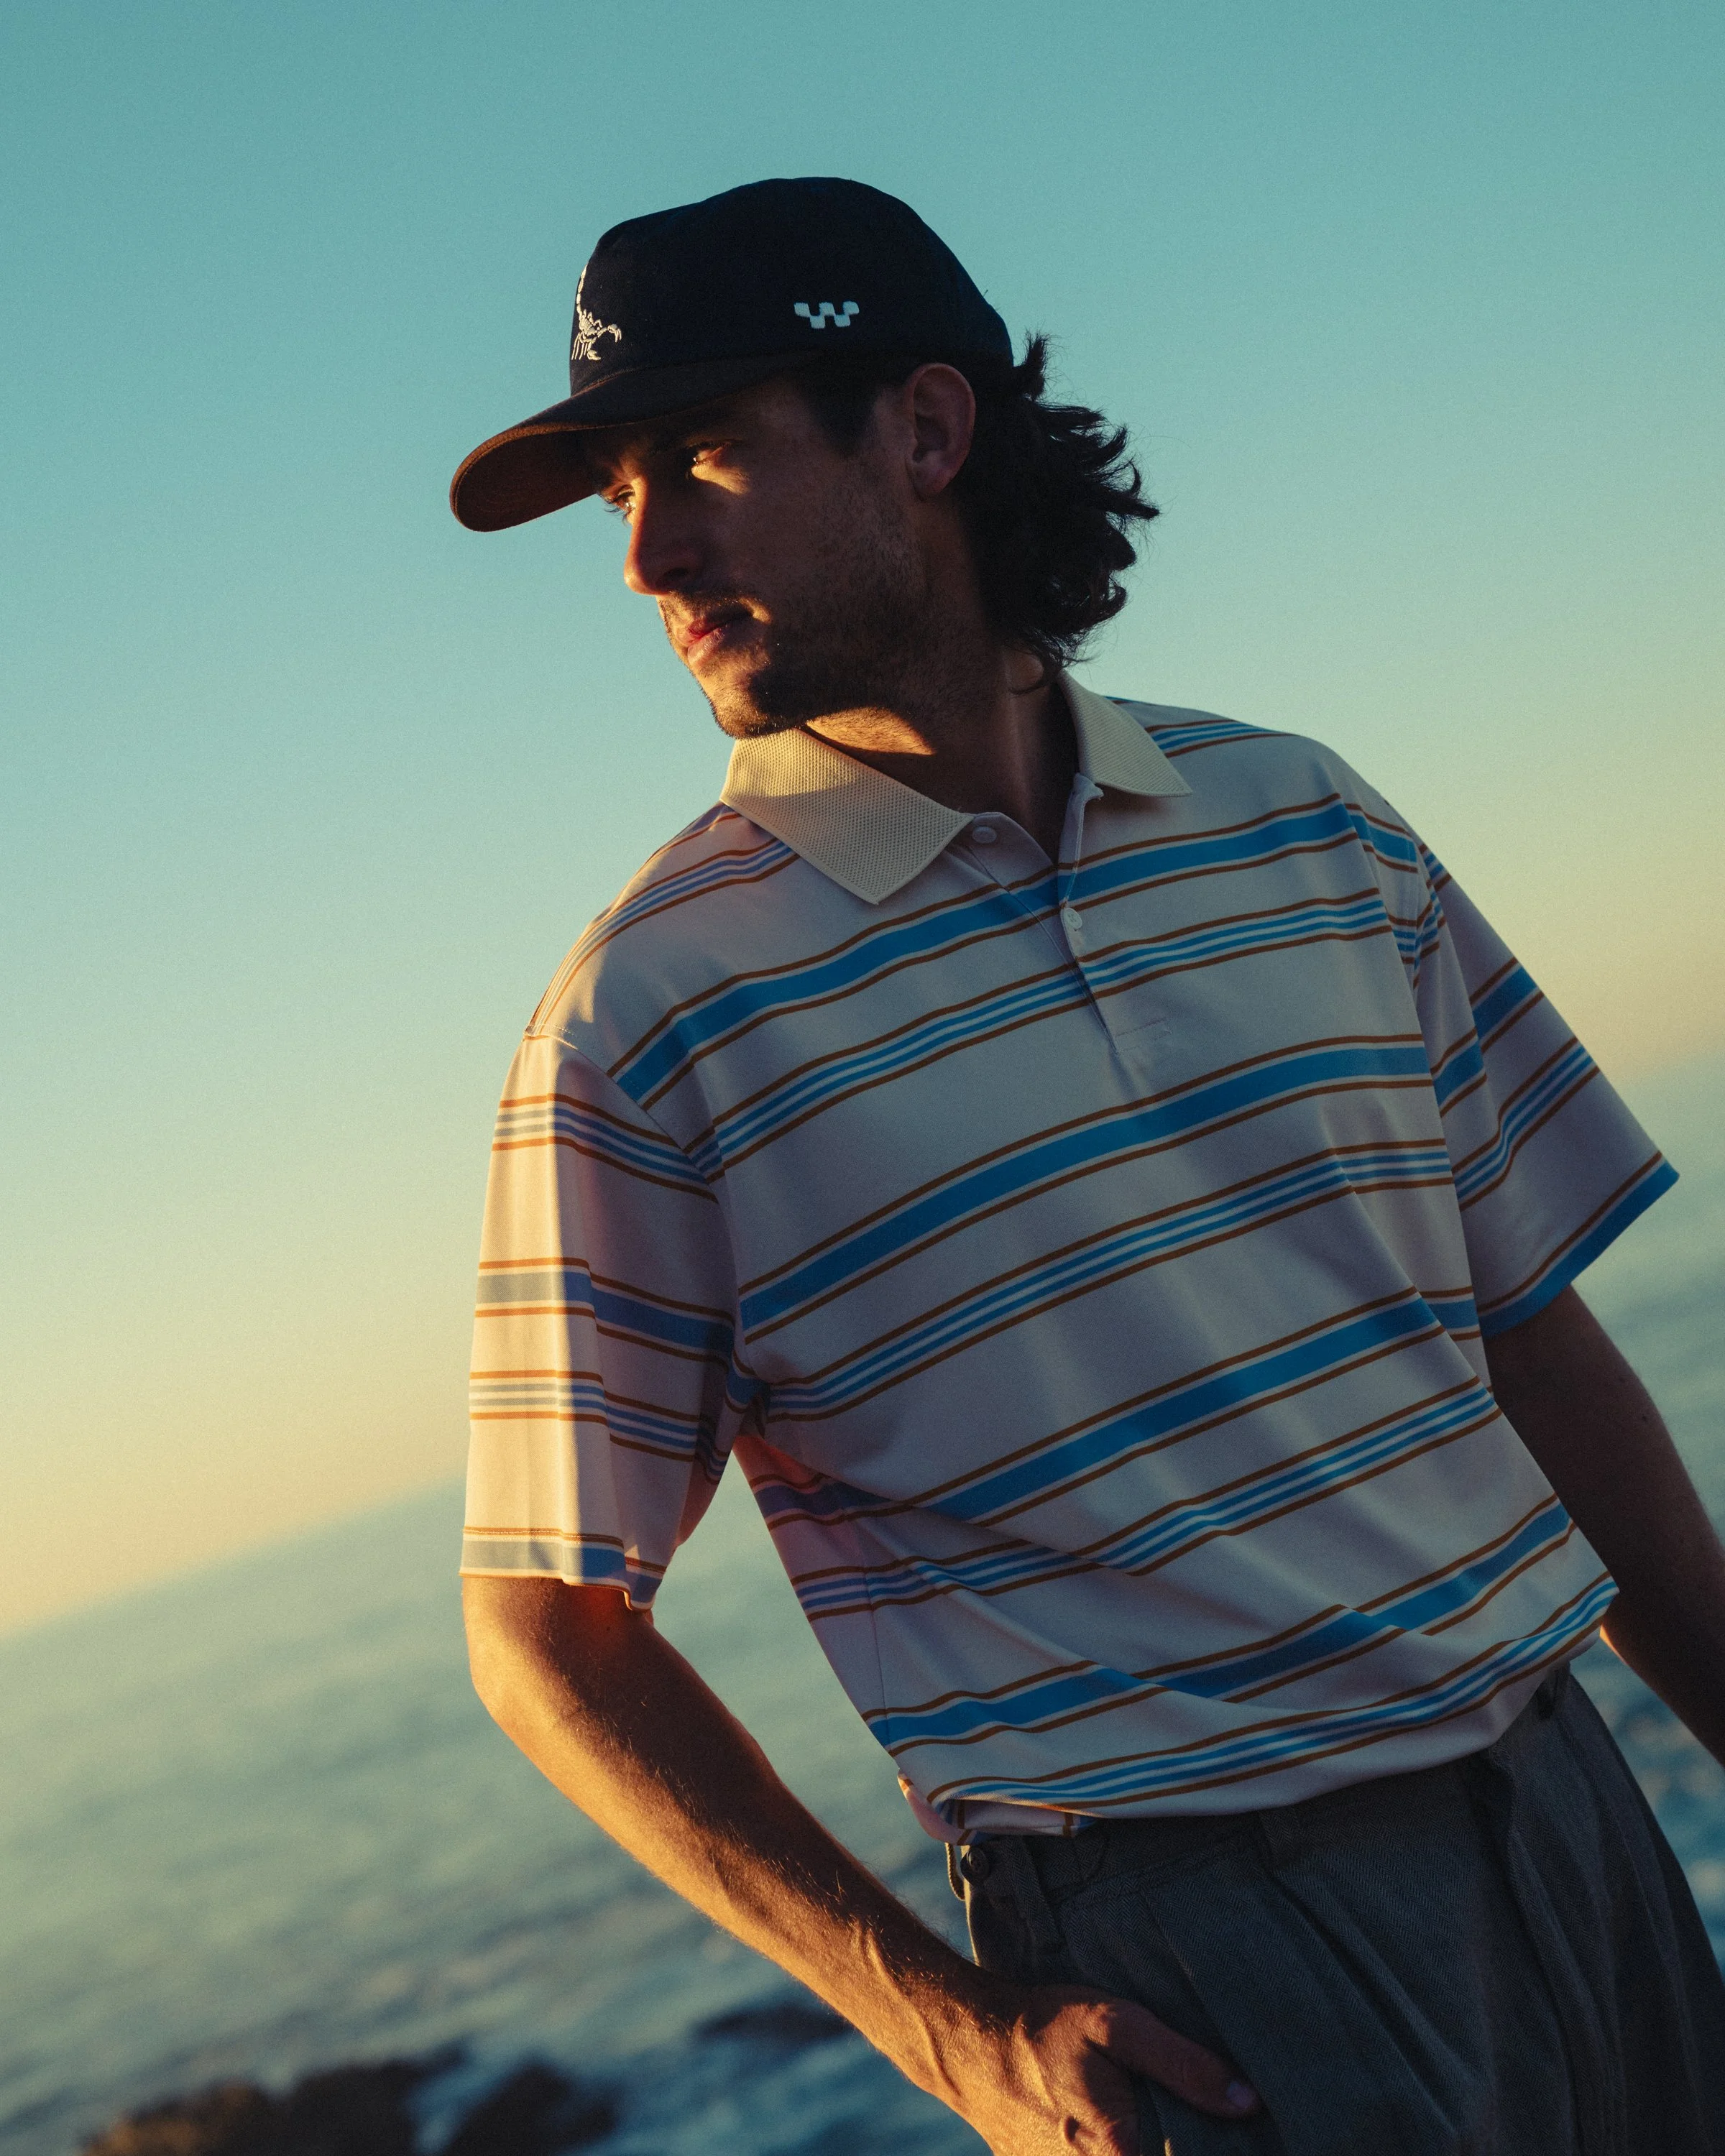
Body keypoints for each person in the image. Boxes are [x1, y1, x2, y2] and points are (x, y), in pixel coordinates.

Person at [452, 178, 1725, 2154]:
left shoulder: (1305, 823)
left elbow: (1530, 1341)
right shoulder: (653, 1021)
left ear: (926, 430)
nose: (647, 555)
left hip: (1577, 1814)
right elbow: (545, 1632)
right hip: (1208, 1975)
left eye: (700, 454)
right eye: (620, 491)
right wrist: (946, 2032)